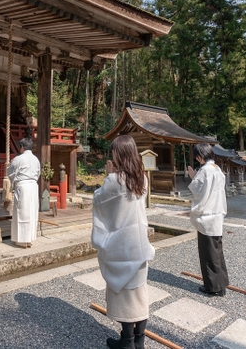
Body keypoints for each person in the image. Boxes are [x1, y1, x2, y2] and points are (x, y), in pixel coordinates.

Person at [92, 135, 155, 349]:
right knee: (139, 291)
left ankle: (126, 341)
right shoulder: (142, 179)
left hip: (122, 245)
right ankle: (140, 340)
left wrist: (109, 176)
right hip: (139, 243)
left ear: (118, 154)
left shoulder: (114, 181)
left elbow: (99, 200)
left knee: (125, 293)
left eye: (114, 152)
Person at [187, 142, 229, 297]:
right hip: (217, 213)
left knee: (208, 253)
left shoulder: (204, 171)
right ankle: (221, 282)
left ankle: (213, 287)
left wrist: (193, 178)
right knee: (216, 250)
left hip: (207, 216)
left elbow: (199, 192)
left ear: (200, 156)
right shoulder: (217, 170)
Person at [7, 137, 40, 248]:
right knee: (31, 212)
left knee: (21, 212)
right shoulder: (36, 159)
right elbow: (38, 173)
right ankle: (30, 239)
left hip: (23, 186)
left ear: (22, 147)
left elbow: (11, 172)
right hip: (33, 187)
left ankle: (22, 240)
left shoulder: (18, 159)